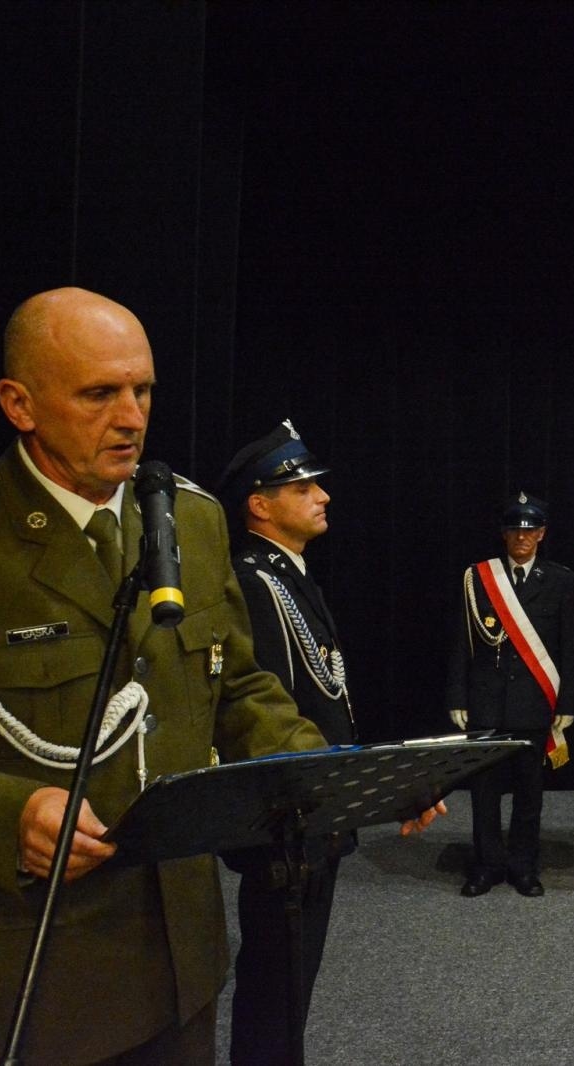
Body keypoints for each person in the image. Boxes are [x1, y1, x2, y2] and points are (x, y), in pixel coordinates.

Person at [0, 288, 438, 1065]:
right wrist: (4, 816)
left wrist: (339, 778)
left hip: (176, 959)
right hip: (23, 964)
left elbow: (239, 689)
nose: (131, 416)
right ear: (18, 403)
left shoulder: (188, 518)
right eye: (99, 394)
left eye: (142, 390)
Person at [217, 421, 355, 1066]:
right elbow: (263, 712)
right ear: (260, 504)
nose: (321, 495)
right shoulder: (254, 581)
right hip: (286, 822)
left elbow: (326, 698)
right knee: (276, 987)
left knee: (293, 985)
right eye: (302, 487)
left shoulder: (291, 577)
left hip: (315, 812)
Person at [447, 492, 574, 897]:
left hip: (533, 703)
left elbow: (569, 648)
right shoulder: (478, 578)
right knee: (485, 792)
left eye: (529, 531)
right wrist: (457, 697)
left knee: (529, 793)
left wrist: (567, 703)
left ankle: (524, 865)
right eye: (514, 531)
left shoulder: (561, 581)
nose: (521, 538)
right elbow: (461, 643)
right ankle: (486, 865)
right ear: (503, 535)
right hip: (487, 702)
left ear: (541, 535)